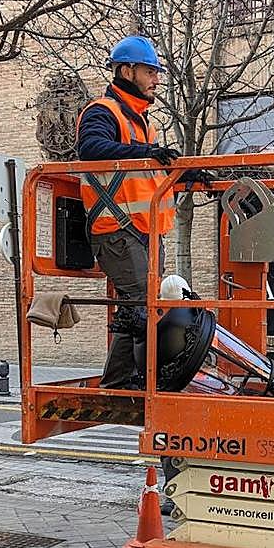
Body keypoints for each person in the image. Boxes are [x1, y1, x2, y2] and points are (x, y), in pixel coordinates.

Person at [76, 35, 182, 390]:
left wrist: (192, 174)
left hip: (145, 231)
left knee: (142, 305)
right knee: (140, 303)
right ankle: (120, 383)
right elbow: (91, 148)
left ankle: (126, 379)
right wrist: (145, 152)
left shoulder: (142, 123)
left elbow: (152, 172)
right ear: (126, 71)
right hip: (117, 230)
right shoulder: (103, 111)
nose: (156, 80)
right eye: (150, 72)